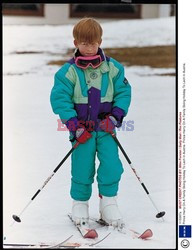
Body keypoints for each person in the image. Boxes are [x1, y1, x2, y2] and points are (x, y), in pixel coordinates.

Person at [50, 18, 131, 230]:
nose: (89, 47)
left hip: (106, 129)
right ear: (75, 42)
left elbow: (123, 92)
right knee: (82, 167)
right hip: (82, 131)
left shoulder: (113, 68)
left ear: (100, 41)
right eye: (84, 43)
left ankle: (108, 203)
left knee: (112, 165)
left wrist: (114, 117)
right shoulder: (67, 72)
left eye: (93, 43)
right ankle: (80, 203)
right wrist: (75, 126)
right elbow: (61, 100)